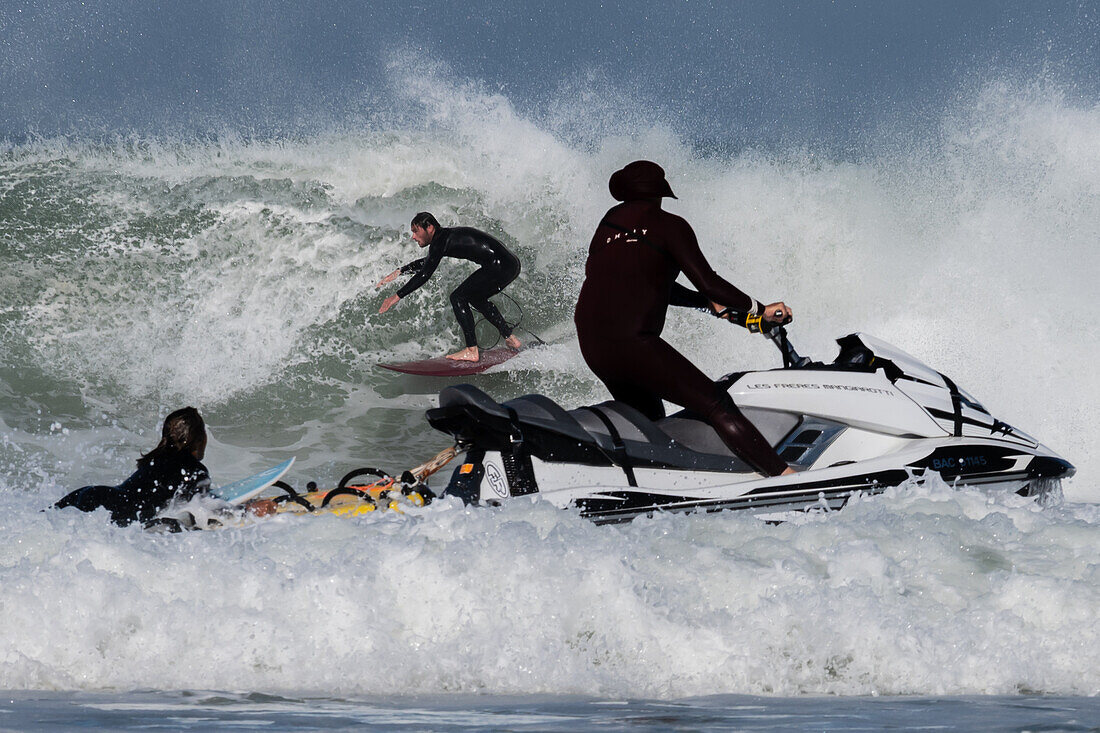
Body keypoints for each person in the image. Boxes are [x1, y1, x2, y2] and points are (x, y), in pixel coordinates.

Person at [573, 160, 795, 477]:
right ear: (660, 192)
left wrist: (709, 305)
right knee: (717, 405)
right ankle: (784, 477)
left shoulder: (610, 222)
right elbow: (709, 282)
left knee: (647, 416)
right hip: (632, 343)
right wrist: (759, 308)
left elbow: (652, 283)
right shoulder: (671, 226)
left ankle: (654, 484)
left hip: (593, 342)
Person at [377, 212, 522, 362]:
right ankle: (510, 337)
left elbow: (425, 274)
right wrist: (400, 271)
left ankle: (472, 350)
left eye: (416, 231)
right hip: (510, 264)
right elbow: (429, 261)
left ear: (429, 227)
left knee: (458, 297)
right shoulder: (444, 238)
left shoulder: (441, 240)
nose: (413, 236)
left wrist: (396, 296)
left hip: (500, 265)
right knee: (476, 298)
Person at [54, 407, 213, 526]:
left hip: (93, 493)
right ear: (198, 439)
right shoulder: (195, 470)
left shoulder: (155, 460)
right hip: (117, 508)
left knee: (45, 521)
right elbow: (201, 509)